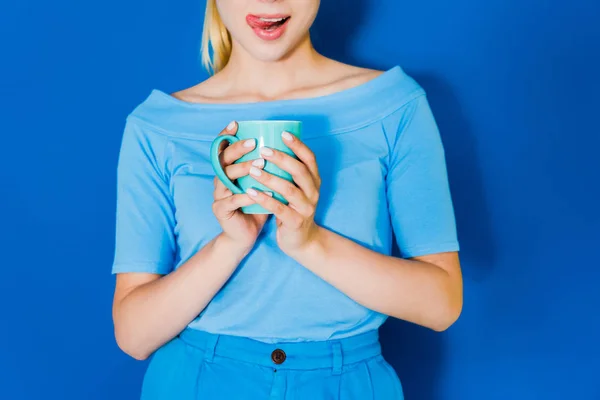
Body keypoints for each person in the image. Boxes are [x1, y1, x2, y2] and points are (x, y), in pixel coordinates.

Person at [110, 0, 463, 399]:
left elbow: (441, 304)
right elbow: (134, 335)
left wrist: (309, 243)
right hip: (197, 382)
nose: (268, 2)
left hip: (347, 384)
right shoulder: (155, 126)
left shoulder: (395, 105)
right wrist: (230, 244)